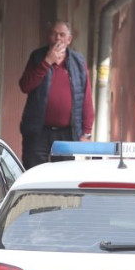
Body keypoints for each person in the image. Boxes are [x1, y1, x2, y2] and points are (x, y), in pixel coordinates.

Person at [18, 20, 94, 167]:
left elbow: (86, 98)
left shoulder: (78, 62)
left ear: (69, 39)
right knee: (34, 171)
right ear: (48, 37)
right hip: (38, 130)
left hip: (67, 133)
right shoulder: (37, 57)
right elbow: (25, 86)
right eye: (54, 34)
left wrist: (86, 132)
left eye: (62, 35)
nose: (58, 38)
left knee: (63, 174)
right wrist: (47, 61)